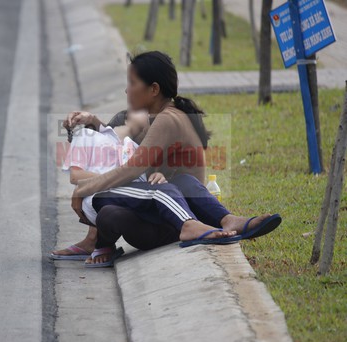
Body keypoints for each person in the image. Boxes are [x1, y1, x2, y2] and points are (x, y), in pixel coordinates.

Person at [63, 51, 281, 267]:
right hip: (168, 214)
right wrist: (94, 122)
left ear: (154, 89)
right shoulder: (171, 114)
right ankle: (226, 219)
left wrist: (82, 189)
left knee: (104, 196)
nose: (127, 90)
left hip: (169, 220)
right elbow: (123, 144)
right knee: (110, 214)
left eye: (132, 83)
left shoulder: (167, 120)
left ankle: (190, 225)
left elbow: (131, 169)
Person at [51, 110, 169, 261]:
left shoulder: (138, 150)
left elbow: (141, 187)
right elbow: (76, 176)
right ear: (128, 116)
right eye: (144, 111)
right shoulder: (87, 135)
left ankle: (95, 241)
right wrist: (118, 179)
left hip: (124, 207)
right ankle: (95, 241)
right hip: (96, 202)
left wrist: (158, 176)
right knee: (107, 202)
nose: (150, 115)